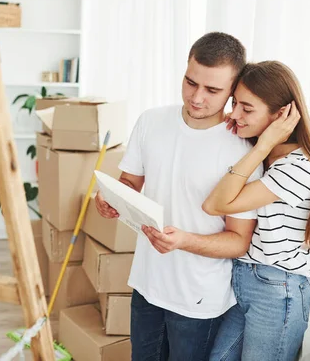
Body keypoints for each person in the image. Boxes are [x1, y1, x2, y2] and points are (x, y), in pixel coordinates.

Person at [95, 32, 263, 361]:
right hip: (147, 283)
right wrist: (113, 198)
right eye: (190, 82)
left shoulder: (242, 148)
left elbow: (238, 240)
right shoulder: (151, 121)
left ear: (233, 91)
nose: (196, 97)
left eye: (212, 90)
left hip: (198, 299)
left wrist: (183, 240)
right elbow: (129, 182)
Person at [199, 61, 310, 361]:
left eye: (247, 108)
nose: (234, 114)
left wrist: (265, 142)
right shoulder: (259, 156)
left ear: (281, 115)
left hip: (277, 288)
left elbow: (214, 204)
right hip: (245, 279)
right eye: (234, 104)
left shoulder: (299, 167)